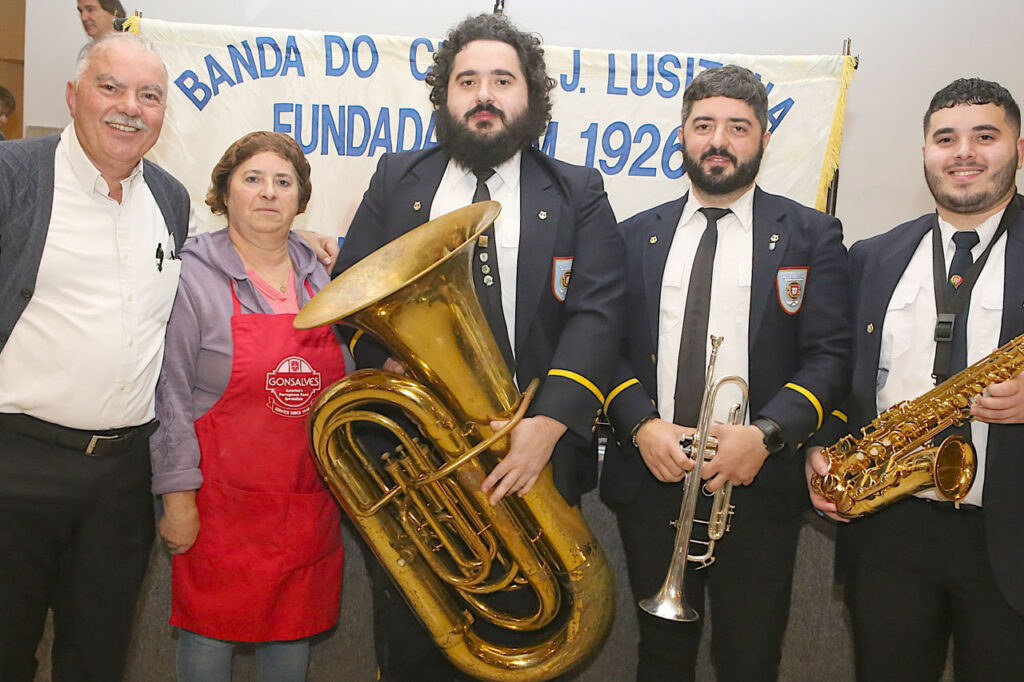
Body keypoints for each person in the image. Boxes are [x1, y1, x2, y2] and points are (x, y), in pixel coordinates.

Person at [332, 12, 624, 681]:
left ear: (531, 96)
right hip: (415, 457)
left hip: (534, 455)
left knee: (531, 630)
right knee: (415, 641)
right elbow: (349, 297)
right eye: (467, 81)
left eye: (502, 80)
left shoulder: (578, 190)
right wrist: (386, 358)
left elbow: (600, 314)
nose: (484, 95)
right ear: (444, 95)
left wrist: (548, 425)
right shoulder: (398, 177)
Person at [601, 65, 851, 682]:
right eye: (704, 125)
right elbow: (603, 348)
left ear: (764, 138)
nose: (719, 141)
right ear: (682, 136)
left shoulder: (812, 235)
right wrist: (641, 426)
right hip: (654, 473)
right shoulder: (630, 236)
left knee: (750, 655)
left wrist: (765, 435)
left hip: (757, 479)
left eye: (738, 127)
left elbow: (830, 355)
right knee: (661, 656)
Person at [807, 77, 1024, 681]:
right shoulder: (872, 256)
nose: (963, 153)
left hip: (1009, 533)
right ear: (925, 151)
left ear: (1018, 149)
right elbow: (839, 374)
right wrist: (821, 447)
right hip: (889, 530)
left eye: (985, 136)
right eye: (945, 138)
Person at [0, 33, 189, 681]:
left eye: (149, 95)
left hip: (121, 479)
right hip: (16, 466)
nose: (129, 107)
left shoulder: (170, 199)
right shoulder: (13, 176)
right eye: (110, 87)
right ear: (73, 95)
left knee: (99, 660)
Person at [150, 131, 347, 681]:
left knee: (291, 634)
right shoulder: (191, 274)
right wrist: (177, 499)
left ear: (300, 199)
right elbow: (169, 395)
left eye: (284, 182)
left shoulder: (323, 274)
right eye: (253, 179)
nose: (268, 192)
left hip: (305, 502)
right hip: (219, 506)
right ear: (225, 193)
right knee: (209, 636)